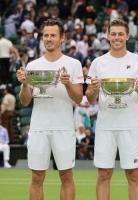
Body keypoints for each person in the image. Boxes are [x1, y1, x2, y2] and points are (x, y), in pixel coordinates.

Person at [16, 19, 84, 200]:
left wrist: (67, 83)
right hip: (39, 127)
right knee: (37, 177)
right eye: (46, 35)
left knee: (66, 176)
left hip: (64, 127)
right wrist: (24, 85)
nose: (48, 38)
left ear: (62, 38)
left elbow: (78, 97)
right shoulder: (32, 66)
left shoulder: (73, 64)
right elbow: (24, 101)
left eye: (53, 35)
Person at [85, 19, 138, 200]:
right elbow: (90, 98)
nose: (117, 37)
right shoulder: (98, 62)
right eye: (113, 34)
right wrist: (94, 89)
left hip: (130, 125)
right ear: (108, 36)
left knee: (133, 175)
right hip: (106, 125)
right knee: (104, 174)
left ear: (127, 36)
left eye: (121, 34)